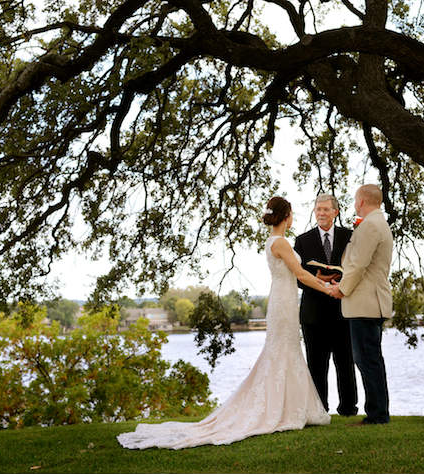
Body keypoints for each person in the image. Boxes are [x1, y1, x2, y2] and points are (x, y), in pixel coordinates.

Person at [117, 196, 332, 450]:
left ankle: (291, 407)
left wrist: (318, 278)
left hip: (282, 300)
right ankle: (285, 409)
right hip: (283, 303)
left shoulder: (273, 241)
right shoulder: (281, 242)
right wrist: (327, 288)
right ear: (287, 217)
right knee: (282, 351)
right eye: (292, 214)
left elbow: (298, 271)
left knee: (287, 351)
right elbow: (300, 274)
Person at [329, 184, 393, 425]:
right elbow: (357, 263)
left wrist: (341, 289)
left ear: (363, 201)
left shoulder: (370, 225)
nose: (355, 205)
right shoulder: (378, 224)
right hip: (372, 300)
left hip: (366, 302)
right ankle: (378, 411)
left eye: (356, 200)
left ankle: (377, 414)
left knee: (367, 359)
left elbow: (358, 264)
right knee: (370, 358)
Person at [294, 194, 358, 416]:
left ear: (335, 212)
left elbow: (357, 267)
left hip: (344, 311)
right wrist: (319, 279)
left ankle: (349, 409)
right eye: (317, 209)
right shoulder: (302, 240)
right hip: (314, 315)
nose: (320, 213)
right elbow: (296, 278)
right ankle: (319, 410)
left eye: (325, 209)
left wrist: (342, 280)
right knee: (317, 366)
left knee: (346, 363)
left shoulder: (350, 236)